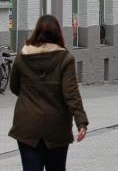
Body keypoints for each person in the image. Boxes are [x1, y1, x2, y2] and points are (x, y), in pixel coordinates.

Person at [9, 15, 89, 171]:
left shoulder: (22, 56)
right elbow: (71, 94)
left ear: (36, 32)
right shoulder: (65, 59)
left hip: (27, 126)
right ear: (58, 34)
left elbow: (14, 86)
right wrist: (81, 122)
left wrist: (28, 99)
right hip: (56, 127)